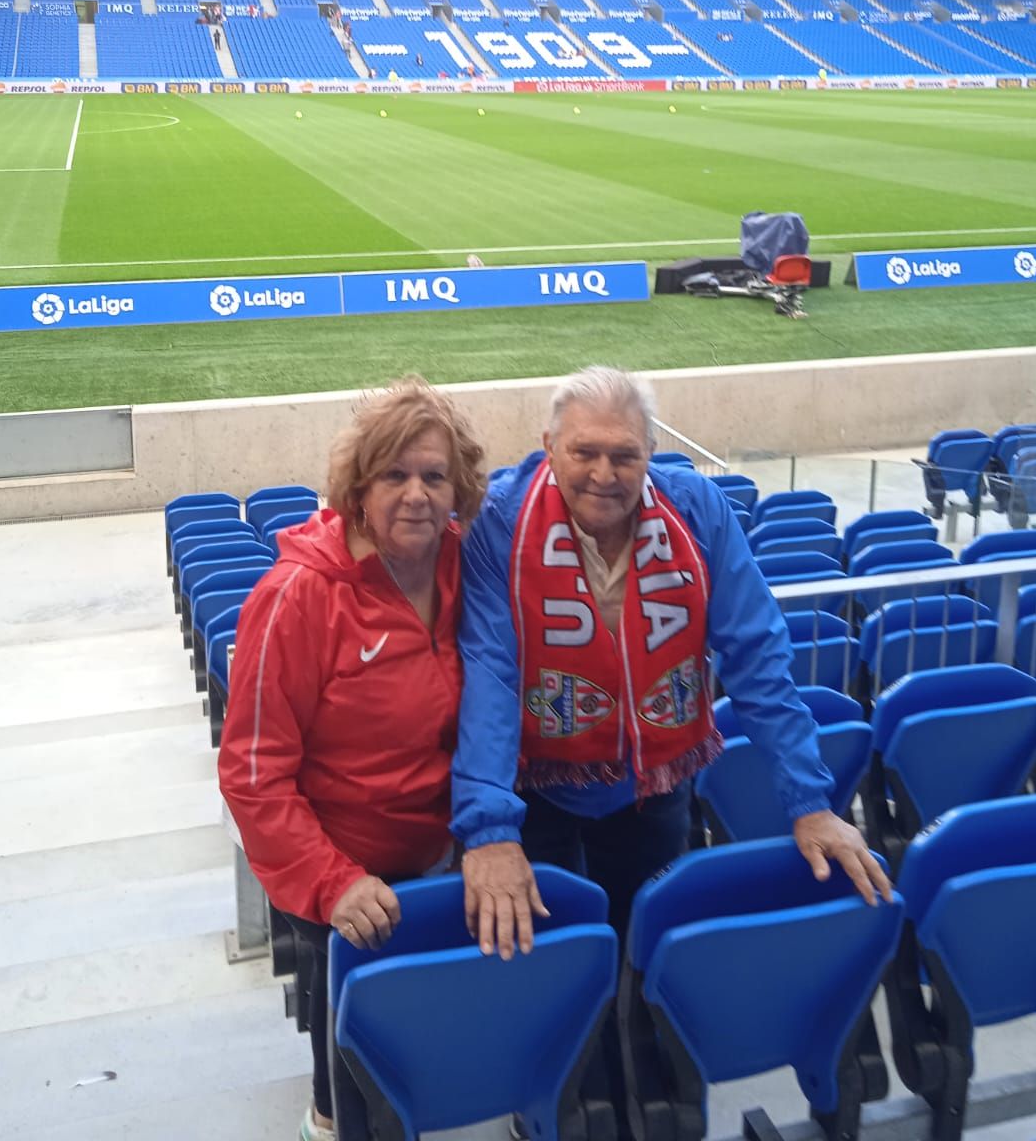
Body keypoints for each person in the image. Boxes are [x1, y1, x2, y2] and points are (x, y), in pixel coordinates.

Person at [452, 366, 890, 1134]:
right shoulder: (501, 521)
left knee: (646, 948)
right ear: (548, 446)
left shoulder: (696, 509)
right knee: (549, 959)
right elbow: (489, 668)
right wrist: (488, 829)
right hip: (535, 787)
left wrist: (810, 802)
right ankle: (559, 1098)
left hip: (653, 784)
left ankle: (647, 1090)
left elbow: (757, 653)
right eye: (585, 452)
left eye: (625, 454)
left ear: (651, 452)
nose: (605, 473)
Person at [219, 378, 486, 1141]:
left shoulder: (465, 565)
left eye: (434, 476)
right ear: (358, 489)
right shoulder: (298, 596)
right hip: (339, 878)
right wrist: (333, 883)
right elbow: (252, 772)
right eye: (394, 475)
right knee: (351, 1075)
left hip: (443, 862)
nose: (417, 495)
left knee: (420, 1049)